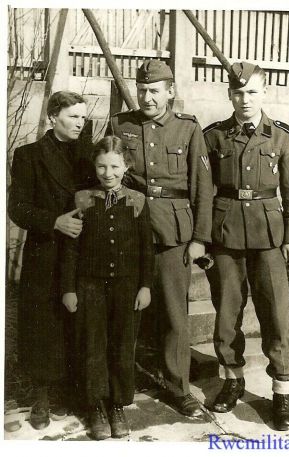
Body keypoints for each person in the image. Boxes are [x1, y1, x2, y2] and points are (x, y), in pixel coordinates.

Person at [106, 60, 213, 417]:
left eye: (154, 90)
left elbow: (202, 188)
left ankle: (178, 388)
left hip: (173, 234)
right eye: (142, 89)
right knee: (123, 311)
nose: (147, 96)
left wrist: (199, 238)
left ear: (170, 92)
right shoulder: (122, 125)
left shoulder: (187, 129)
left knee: (173, 315)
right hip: (128, 231)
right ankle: (116, 387)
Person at [203, 61, 289, 431]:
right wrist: (205, 239)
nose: (245, 100)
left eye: (253, 92)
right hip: (225, 234)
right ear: (229, 94)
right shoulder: (213, 137)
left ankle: (281, 391)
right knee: (227, 311)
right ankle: (232, 380)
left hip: (269, 237)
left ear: (265, 93)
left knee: (276, 313)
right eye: (239, 93)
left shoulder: (281, 138)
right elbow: (203, 191)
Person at [8, 91, 92, 430]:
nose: (80, 123)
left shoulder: (88, 157)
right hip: (46, 252)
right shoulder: (28, 155)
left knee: (76, 321)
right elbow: (18, 208)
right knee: (43, 324)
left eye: (83, 118)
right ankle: (41, 396)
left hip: (82, 252)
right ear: (53, 116)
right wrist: (54, 221)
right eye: (73, 116)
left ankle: (69, 392)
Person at [60, 136, 154, 439]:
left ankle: (117, 404)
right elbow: (71, 249)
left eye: (114, 166)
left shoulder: (138, 200)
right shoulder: (83, 198)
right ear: (94, 166)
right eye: (102, 166)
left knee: (123, 345)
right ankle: (96, 406)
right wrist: (69, 289)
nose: (108, 173)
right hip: (89, 287)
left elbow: (146, 249)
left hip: (127, 288)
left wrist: (145, 286)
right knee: (93, 346)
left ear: (125, 166)